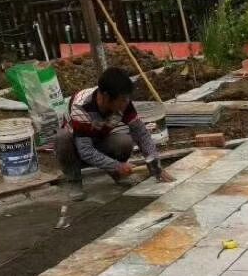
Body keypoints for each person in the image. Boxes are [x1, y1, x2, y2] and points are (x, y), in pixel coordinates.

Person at [55, 66, 172, 200]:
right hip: (76, 148)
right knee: (63, 137)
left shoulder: (123, 102)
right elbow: (86, 151)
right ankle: (74, 180)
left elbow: (141, 133)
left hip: (99, 139)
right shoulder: (81, 107)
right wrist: (117, 165)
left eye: (127, 98)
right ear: (106, 97)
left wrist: (154, 161)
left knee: (124, 142)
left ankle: (116, 174)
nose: (126, 103)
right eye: (122, 100)